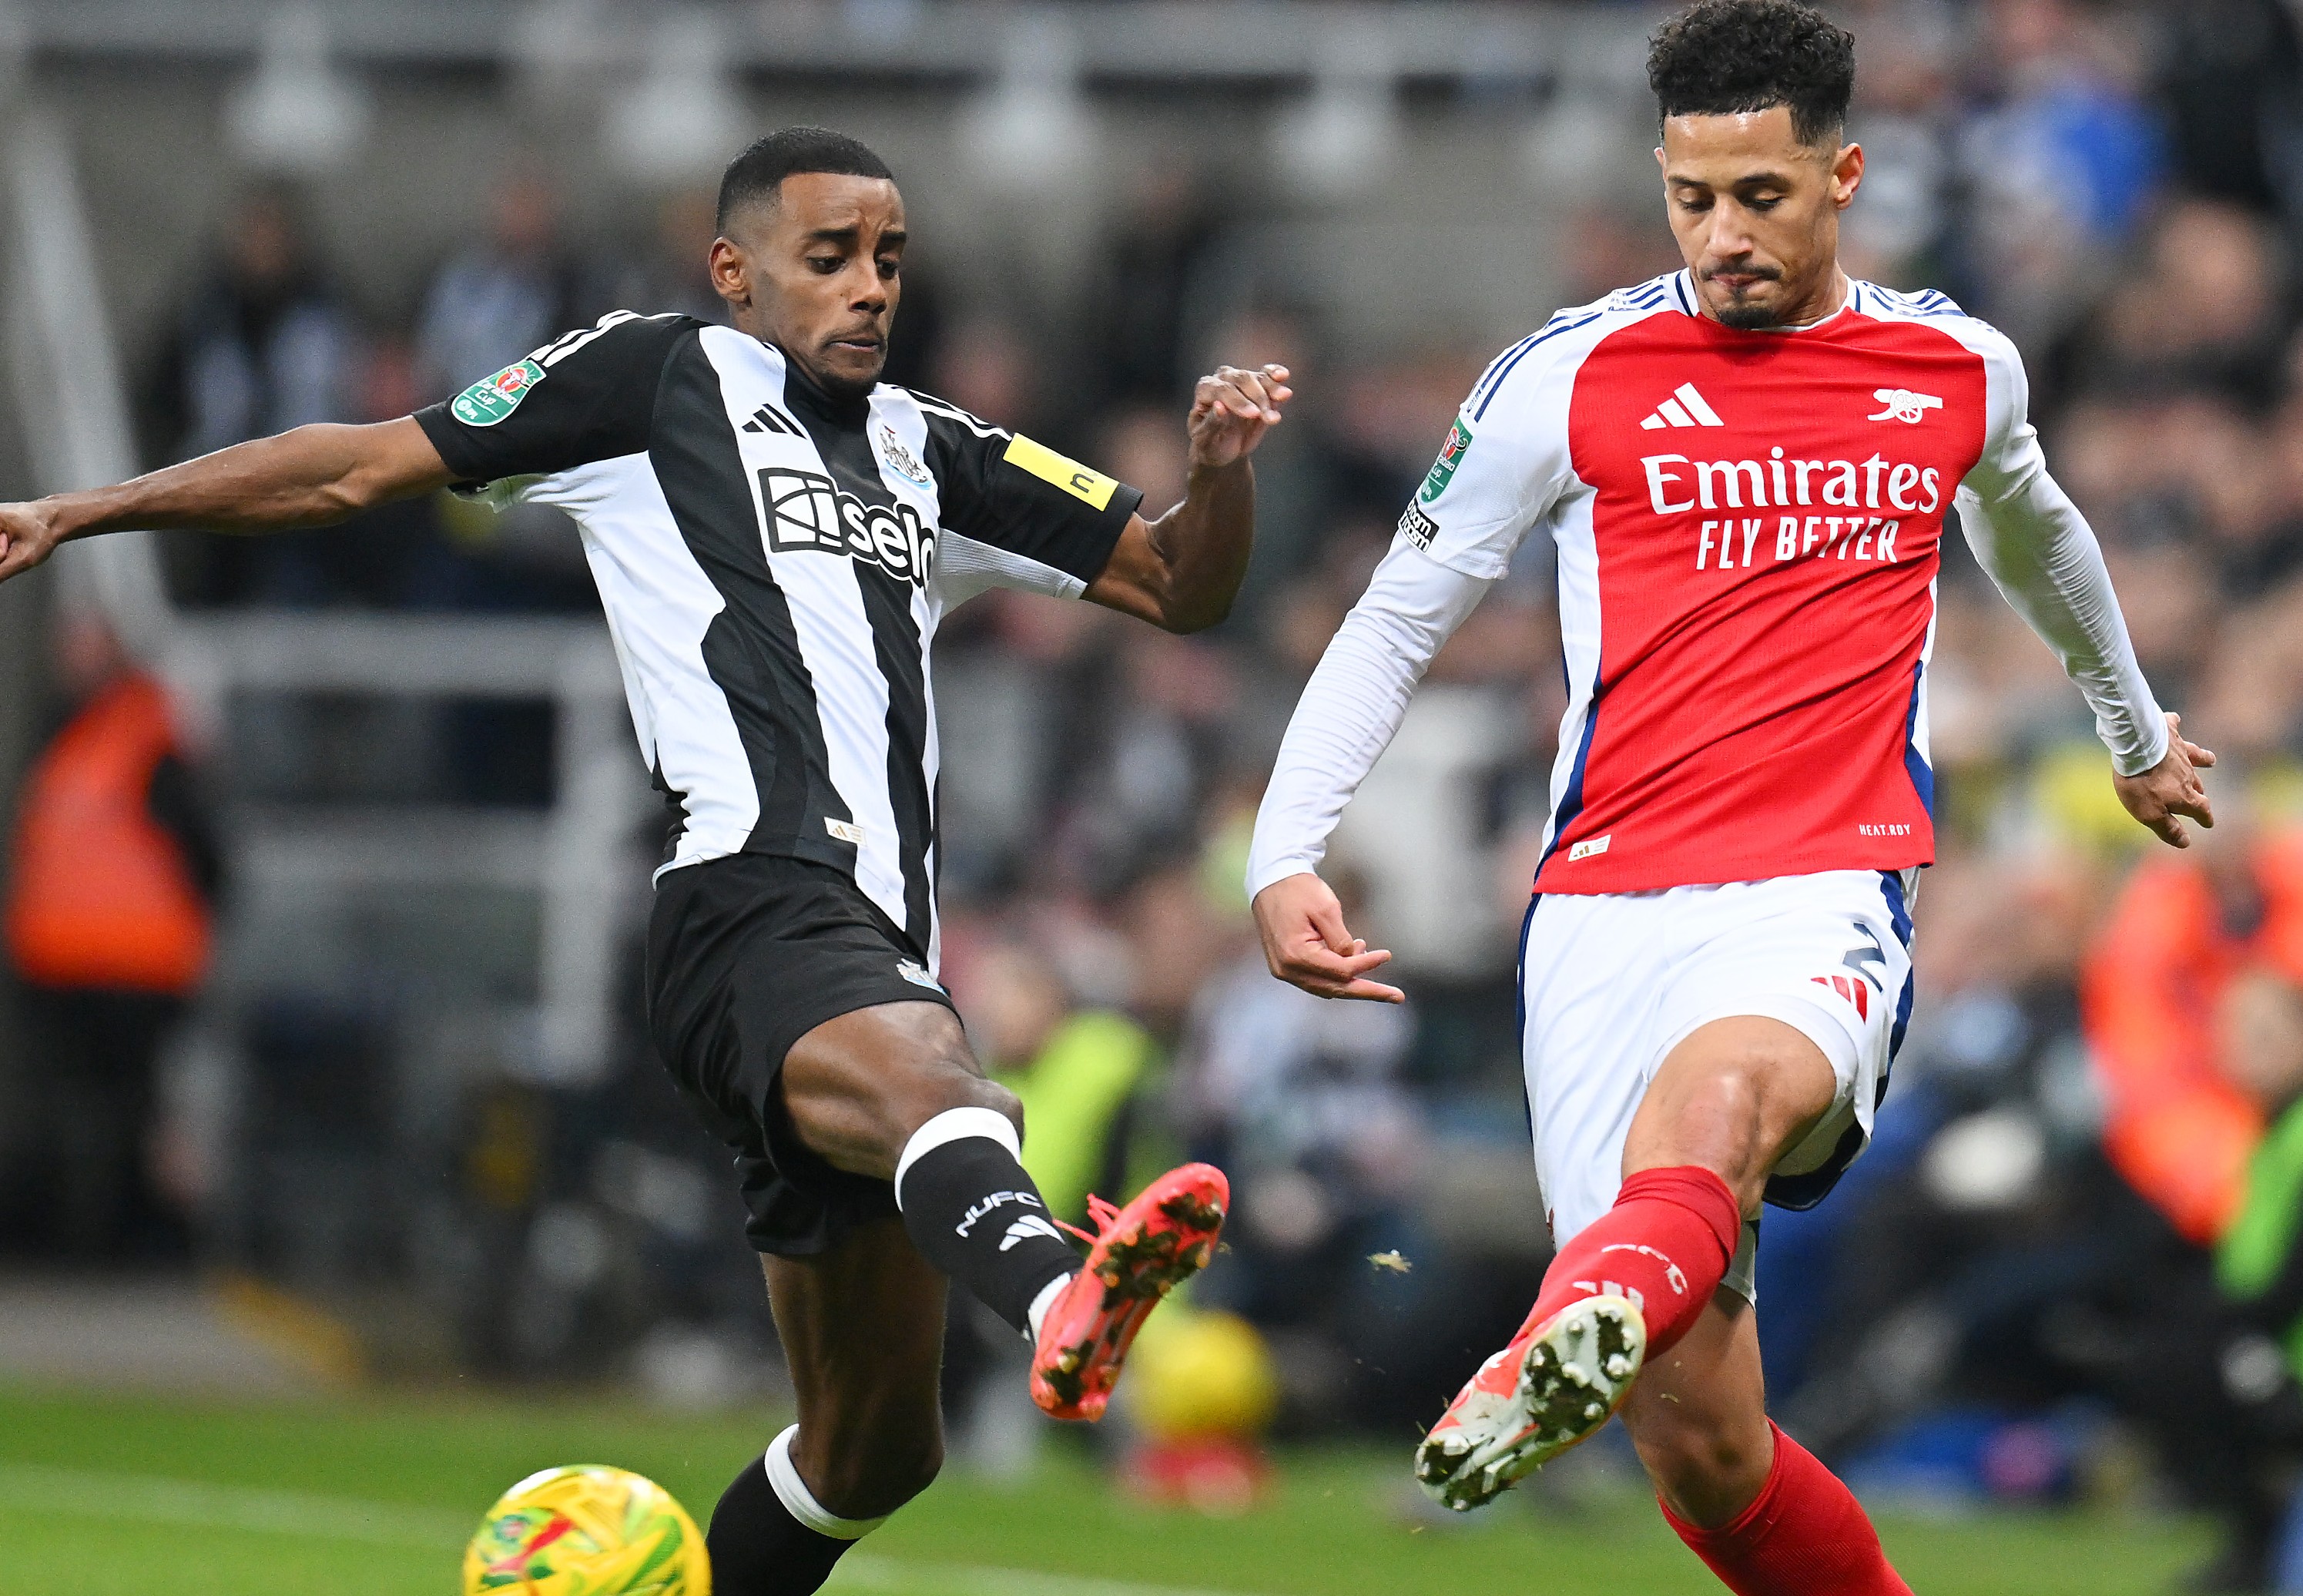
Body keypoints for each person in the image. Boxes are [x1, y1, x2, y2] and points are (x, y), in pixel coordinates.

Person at [0, 127, 1291, 1596]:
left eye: (889, 260)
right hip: (746, 900)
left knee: (874, 1448)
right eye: (829, 258)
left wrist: (1222, 470)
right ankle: (1063, 1289)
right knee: (950, 1084)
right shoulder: (651, 377)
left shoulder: (938, 449)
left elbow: (1183, 583)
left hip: (870, 945)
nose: (869, 288)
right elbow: (353, 470)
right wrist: (87, 507)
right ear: (736, 273)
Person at [1245, 5, 2209, 1591]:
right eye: (1691, 197)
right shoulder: (1569, 376)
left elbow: (2035, 537)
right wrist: (1283, 849)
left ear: (1841, 175)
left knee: (1721, 1113)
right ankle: (1595, 1332)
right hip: (1603, 906)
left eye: (1759, 196)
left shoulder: (1951, 365)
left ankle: (1543, 1340)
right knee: (1699, 1438)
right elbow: (1397, 614)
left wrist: (2129, 727)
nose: (1722, 236)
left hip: (1822, 880)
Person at [4, 611, 222, 1257]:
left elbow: (204, 852)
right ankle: (83, 1234)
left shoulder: (145, 736)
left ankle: (137, 1237)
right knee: (80, 1116)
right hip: (64, 967)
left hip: (135, 971)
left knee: (130, 1116)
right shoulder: (68, 732)